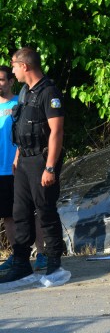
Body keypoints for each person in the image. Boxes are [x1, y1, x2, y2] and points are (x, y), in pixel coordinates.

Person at [0, 48, 65, 283]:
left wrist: (50, 167)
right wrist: (17, 155)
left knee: (45, 210)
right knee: (20, 213)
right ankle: (20, 263)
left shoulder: (49, 92)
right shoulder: (26, 92)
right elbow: (21, 129)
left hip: (41, 159)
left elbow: (56, 131)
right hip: (24, 160)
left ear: (25, 66)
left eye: (14, 66)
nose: (13, 71)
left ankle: (54, 261)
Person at [0, 66, 47, 273]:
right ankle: (18, 255)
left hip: (22, 167)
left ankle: (43, 253)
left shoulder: (21, 102)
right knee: (8, 215)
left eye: (2, 79)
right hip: (1, 173)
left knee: (35, 211)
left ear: (11, 81)